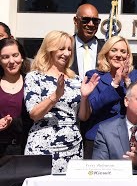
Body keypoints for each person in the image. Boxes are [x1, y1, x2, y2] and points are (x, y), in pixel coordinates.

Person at [23, 30, 100, 174]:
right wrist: (55, 96)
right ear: (50, 49)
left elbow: (83, 117)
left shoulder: (75, 79)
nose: (67, 53)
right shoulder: (34, 77)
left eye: (70, 49)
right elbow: (34, 114)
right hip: (43, 146)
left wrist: (84, 97)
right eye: (62, 48)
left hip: (73, 147)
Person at [83, 35, 137, 159]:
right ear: (106, 53)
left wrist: (126, 80)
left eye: (123, 51)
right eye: (114, 50)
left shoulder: (135, 75)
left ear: (128, 56)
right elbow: (93, 107)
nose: (118, 55)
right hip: (98, 137)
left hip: (125, 138)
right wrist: (114, 84)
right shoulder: (93, 75)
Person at [0, 38, 32, 157]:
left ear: (22, 57)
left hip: (26, 148)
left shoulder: (32, 83)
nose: (12, 61)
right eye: (5, 57)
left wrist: (14, 122)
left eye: (15, 55)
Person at [71, 3, 105, 80]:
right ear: (76, 21)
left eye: (95, 21)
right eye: (85, 20)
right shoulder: (65, 47)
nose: (91, 24)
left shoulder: (106, 49)